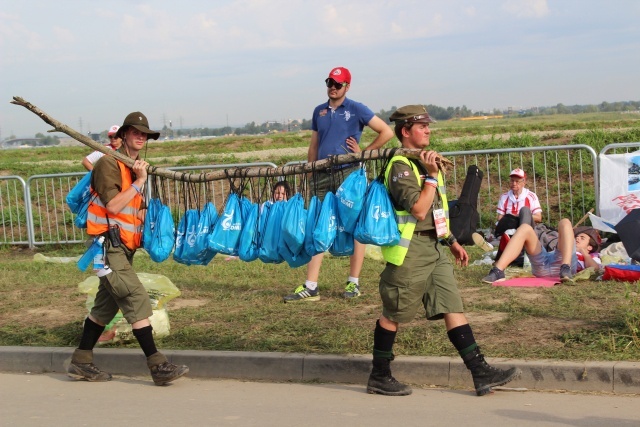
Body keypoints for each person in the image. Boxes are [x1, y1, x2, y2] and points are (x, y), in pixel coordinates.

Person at [366, 105, 520, 397]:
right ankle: (379, 375)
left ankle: (479, 371)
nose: (428, 130)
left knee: (452, 305)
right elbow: (419, 208)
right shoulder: (400, 166)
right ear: (405, 131)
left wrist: (451, 241)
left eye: (427, 125)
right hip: (410, 251)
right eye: (421, 126)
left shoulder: (424, 161)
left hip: (435, 247)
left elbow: (436, 211)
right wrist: (432, 177)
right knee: (394, 313)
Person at [67, 111, 189, 386]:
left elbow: (133, 210)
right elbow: (112, 206)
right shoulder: (109, 165)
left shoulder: (133, 167)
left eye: (144, 134)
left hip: (122, 249)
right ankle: (158, 366)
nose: (141, 136)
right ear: (123, 135)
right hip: (105, 248)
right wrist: (139, 182)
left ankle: (81, 362)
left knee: (103, 308)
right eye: (135, 131)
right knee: (135, 297)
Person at [283, 66, 393, 302]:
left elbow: (386, 132)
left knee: (353, 226)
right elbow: (314, 144)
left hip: (348, 174)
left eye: (338, 84)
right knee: (318, 225)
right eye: (330, 83)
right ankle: (311, 285)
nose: (333, 88)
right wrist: (310, 170)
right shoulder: (319, 112)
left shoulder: (356, 109)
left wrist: (365, 153)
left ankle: (353, 283)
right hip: (321, 172)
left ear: (347, 87)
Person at [482, 220, 602, 283]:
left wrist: (584, 252)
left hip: (564, 263)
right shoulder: (568, 242)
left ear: (590, 247)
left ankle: (565, 268)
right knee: (525, 227)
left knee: (565, 222)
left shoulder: (592, 255)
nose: (577, 238)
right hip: (544, 263)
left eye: (583, 238)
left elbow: (595, 268)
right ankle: (498, 270)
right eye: (577, 236)